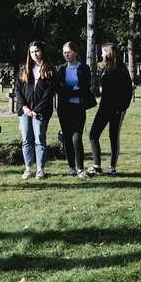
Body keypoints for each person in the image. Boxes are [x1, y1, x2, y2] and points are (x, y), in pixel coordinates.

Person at [14, 41, 58, 180]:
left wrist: (37, 110)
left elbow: (49, 93)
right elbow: (18, 90)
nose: (35, 54)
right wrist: (24, 107)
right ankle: (28, 169)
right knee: (27, 139)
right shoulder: (24, 70)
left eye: (37, 51)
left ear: (42, 51)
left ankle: (40, 169)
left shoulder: (50, 70)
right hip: (25, 111)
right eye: (32, 52)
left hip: (41, 112)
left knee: (39, 139)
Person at [88, 43, 133, 176]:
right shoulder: (103, 68)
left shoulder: (121, 69)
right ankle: (97, 166)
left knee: (113, 136)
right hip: (104, 107)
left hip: (117, 108)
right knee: (93, 134)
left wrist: (123, 107)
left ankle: (112, 167)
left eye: (103, 52)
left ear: (109, 52)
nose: (101, 54)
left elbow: (128, 91)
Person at [57, 41, 95, 179]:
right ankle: (71, 167)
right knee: (67, 138)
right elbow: (59, 89)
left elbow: (85, 88)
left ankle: (80, 169)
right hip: (64, 108)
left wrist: (68, 90)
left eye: (69, 52)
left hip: (78, 107)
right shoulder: (61, 69)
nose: (66, 55)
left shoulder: (83, 68)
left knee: (76, 138)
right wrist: (74, 89)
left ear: (76, 53)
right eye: (64, 52)